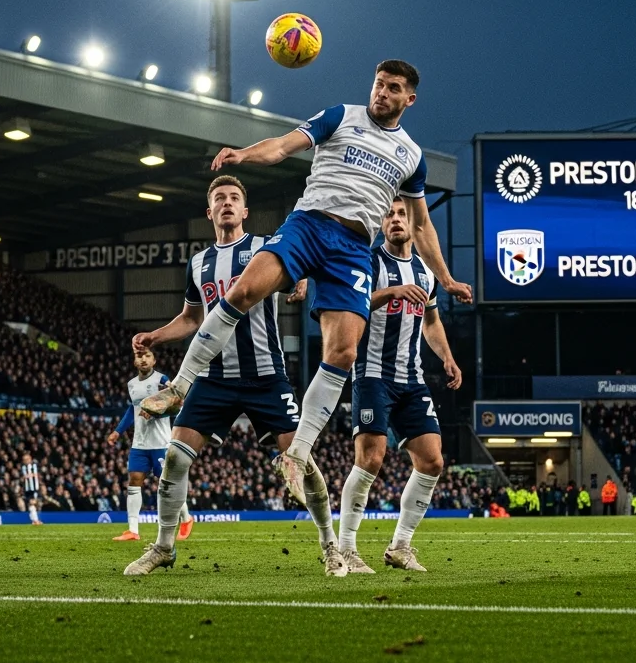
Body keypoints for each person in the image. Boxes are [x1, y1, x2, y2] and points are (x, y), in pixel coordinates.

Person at [136, 60, 473, 507]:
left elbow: (422, 223)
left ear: (408, 99)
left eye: (393, 88)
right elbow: (282, 147)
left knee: (344, 351)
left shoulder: (411, 156)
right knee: (242, 291)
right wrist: (243, 155)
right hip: (308, 225)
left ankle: (297, 452)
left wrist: (445, 278)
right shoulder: (341, 115)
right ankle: (179, 387)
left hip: (353, 248)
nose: (382, 93)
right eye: (378, 84)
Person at [125, 176, 343, 576]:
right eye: (219, 199)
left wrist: (301, 280)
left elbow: (298, 273)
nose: (227, 203)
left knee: (302, 460)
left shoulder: (265, 249)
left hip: (266, 377)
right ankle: (163, 547)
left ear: (245, 211)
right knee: (174, 458)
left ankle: (332, 546)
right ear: (209, 212)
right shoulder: (198, 263)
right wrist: (156, 335)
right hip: (213, 378)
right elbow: (192, 318)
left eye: (235, 198)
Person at [336, 197, 463, 573]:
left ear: (413, 223)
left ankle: (401, 546)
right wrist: (389, 293)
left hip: (412, 379)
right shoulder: (369, 261)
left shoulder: (425, 272)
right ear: (381, 223)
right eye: (388, 215)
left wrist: (447, 357)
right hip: (373, 374)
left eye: (401, 214)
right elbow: (351, 303)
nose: (395, 219)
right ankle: (345, 549)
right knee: (371, 459)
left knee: (432, 460)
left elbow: (431, 322)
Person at [109, 348, 194, 542]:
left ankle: (186, 518)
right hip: (139, 444)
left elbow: (178, 405)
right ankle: (132, 530)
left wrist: (157, 412)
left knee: (167, 484)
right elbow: (132, 409)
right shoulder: (131, 385)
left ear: (154, 360)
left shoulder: (161, 380)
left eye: (148, 356)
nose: (144, 359)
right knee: (134, 480)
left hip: (161, 443)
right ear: (135, 362)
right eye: (140, 356)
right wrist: (118, 431)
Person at [20, 453, 43, 525]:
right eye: (24, 460)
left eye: (27, 459)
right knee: (31, 504)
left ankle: (35, 520)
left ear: (30, 459)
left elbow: (37, 474)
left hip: (34, 488)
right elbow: (22, 478)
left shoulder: (34, 466)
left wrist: (29, 476)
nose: (26, 461)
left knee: (33, 503)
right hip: (27, 489)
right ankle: (35, 520)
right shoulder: (23, 468)